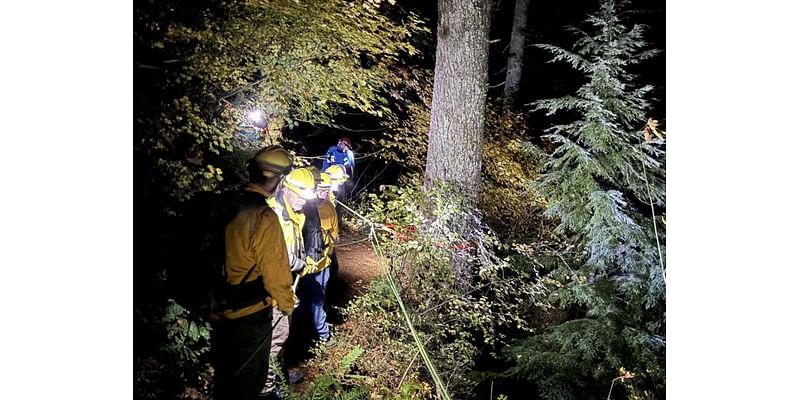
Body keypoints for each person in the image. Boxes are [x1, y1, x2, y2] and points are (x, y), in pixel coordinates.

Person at [209, 147, 296, 400]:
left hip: (218, 308)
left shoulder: (224, 204)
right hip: (250, 314)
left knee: (225, 375)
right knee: (249, 381)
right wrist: (287, 304)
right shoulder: (263, 217)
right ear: (277, 179)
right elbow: (276, 272)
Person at [260, 167, 317, 399]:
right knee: (275, 338)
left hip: (284, 287)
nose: (304, 202)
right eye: (301, 197)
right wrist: (302, 264)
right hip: (273, 291)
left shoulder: (291, 214)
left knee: (281, 338)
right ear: (289, 191)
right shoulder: (275, 216)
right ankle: (266, 389)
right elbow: (277, 255)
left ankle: (277, 375)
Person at [297, 169, 339, 349]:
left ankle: (316, 332)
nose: (323, 193)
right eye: (321, 189)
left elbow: (334, 237)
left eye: (326, 189)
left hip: (321, 264)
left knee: (316, 300)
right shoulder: (300, 208)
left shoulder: (328, 207)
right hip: (303, 266)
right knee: (310, 300)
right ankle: (320, 335)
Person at [322, 137, 355, 201]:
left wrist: (348, 176)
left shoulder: (348, 154)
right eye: (342, 143)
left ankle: (338, 205)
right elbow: (326, 161)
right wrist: (324, 172)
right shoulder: (332, 149)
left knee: (339, 194)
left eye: (346, 145)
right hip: (329, 173)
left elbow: (350, 167)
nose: (343, 145)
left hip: (340, 177)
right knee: (325, 191)